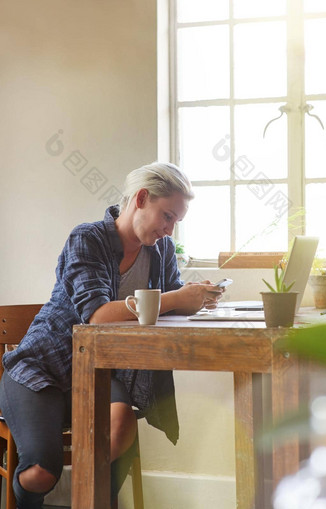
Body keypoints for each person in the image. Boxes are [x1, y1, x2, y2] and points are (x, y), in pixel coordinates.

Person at [0, 162, 223, 509]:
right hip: (41, 368)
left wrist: (196, 296)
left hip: (98, 371)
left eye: (176, 221)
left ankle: (93, 500)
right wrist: (177, 298)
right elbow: (97, 315)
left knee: (120, 430)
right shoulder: (87, 238)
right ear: (142, 198)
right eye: (167, 216)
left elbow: (168, 300)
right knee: (43, 471)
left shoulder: (160, 249)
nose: (169, 229)